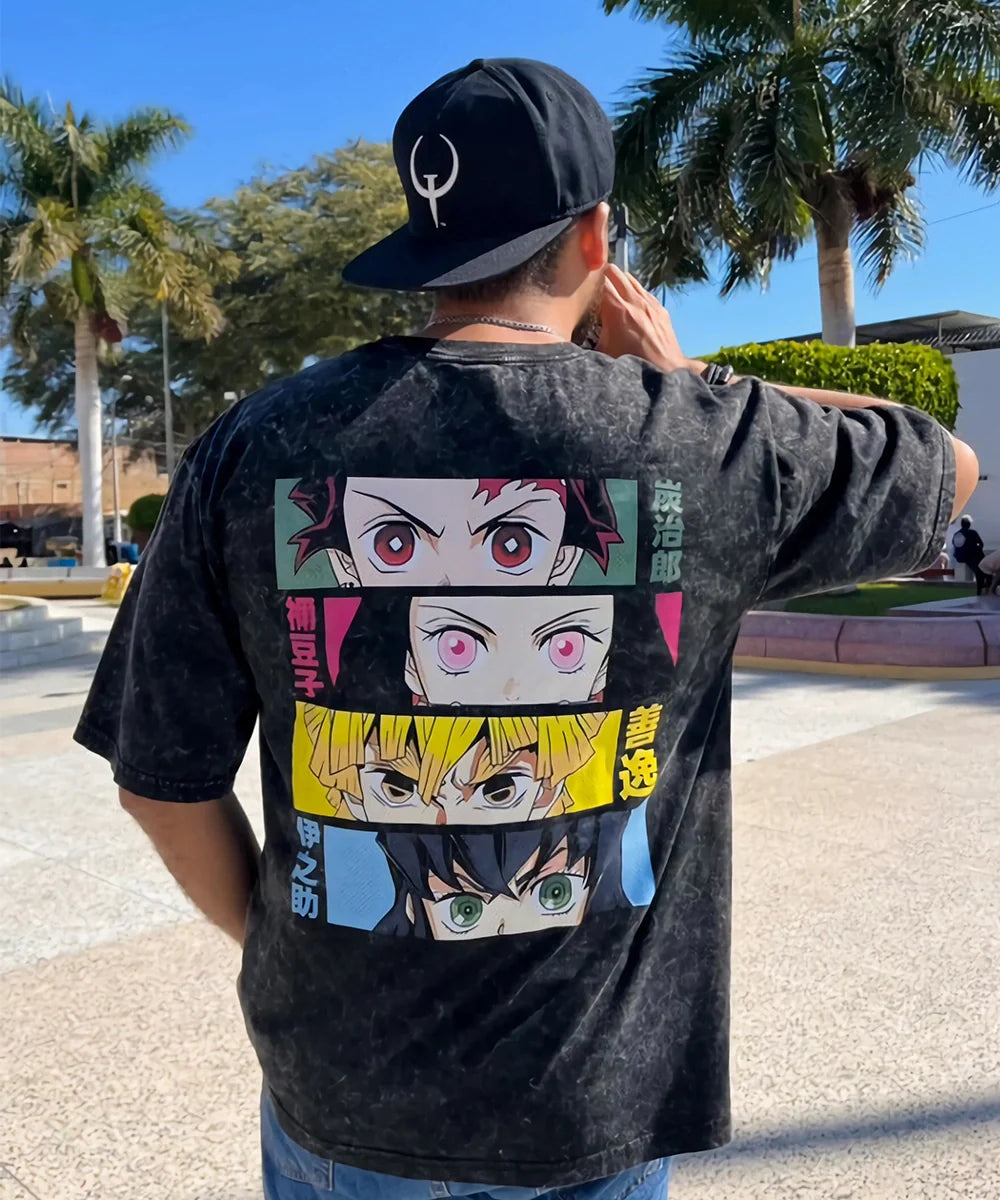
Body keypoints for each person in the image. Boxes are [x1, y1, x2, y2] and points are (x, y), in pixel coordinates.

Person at [75, 58, 979, 1200]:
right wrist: (689, 373)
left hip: (341, 1096)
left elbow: (160, 785)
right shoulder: (703, 441)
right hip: (588, 1103)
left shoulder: (250, 447)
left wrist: (284, 943)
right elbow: (945, 463)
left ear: (422, 243)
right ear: (595, 236)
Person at [952, 515, 989, 594]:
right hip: (972, 557)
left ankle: (981, 588)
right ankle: (983, 588)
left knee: (978, 570)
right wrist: (977, 549)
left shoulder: (956, 534)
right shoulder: (972, 532)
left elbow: (955, 545)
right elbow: (981, 544)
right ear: (969, 524)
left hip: (960, 557)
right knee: (982, 571)